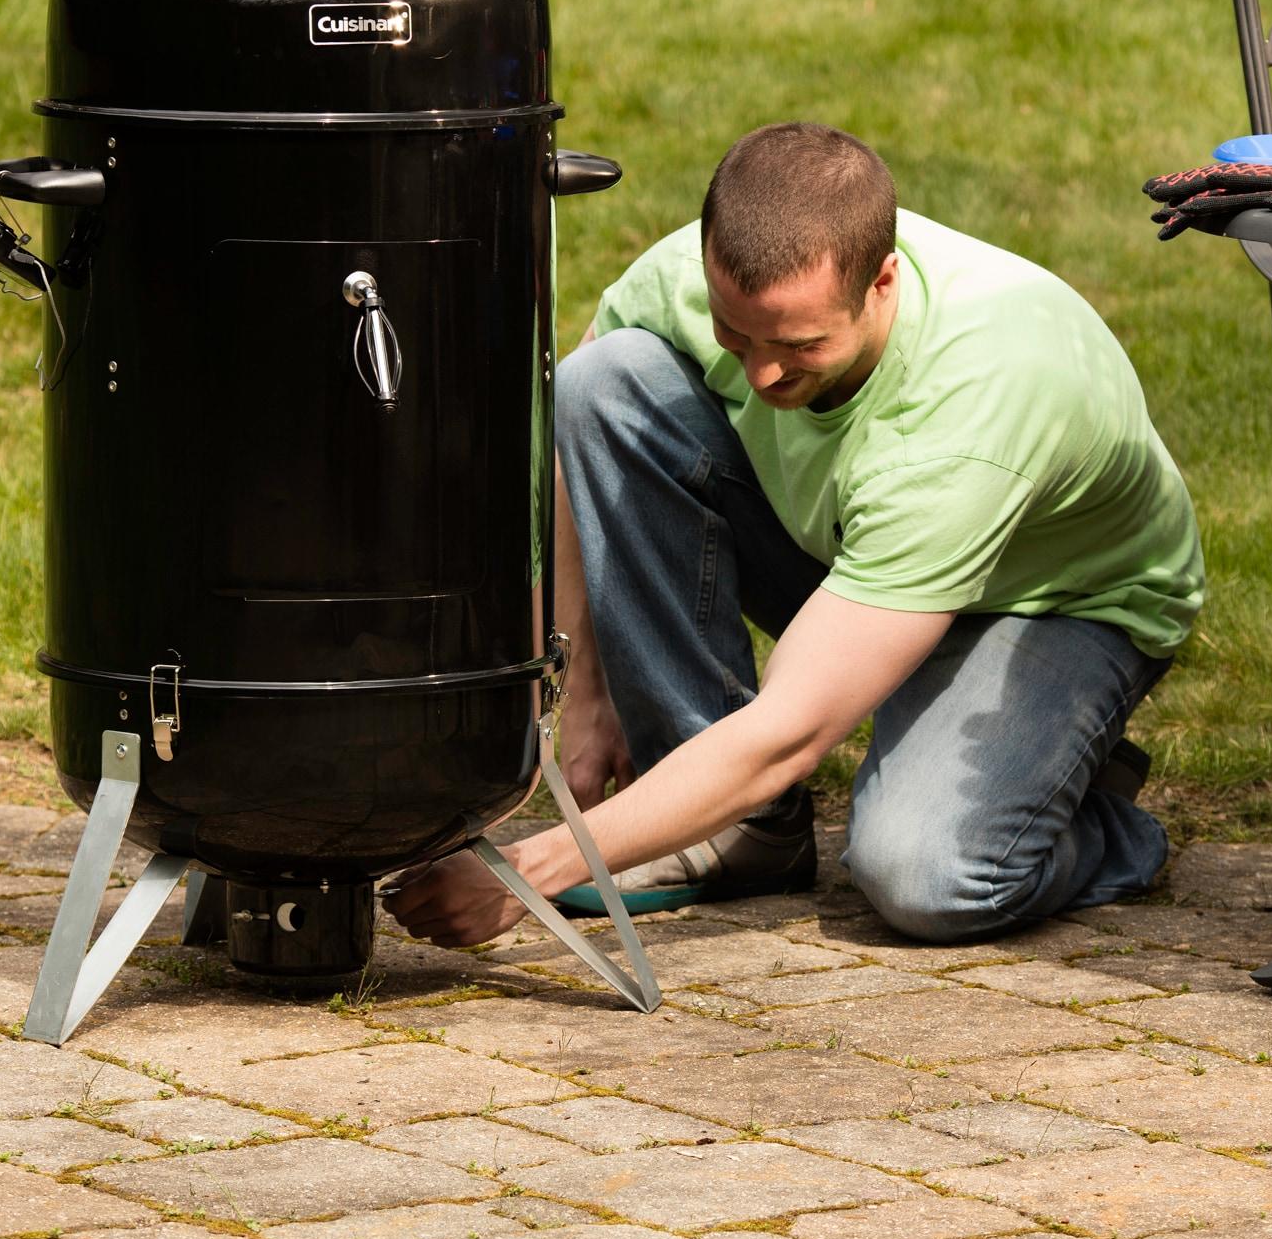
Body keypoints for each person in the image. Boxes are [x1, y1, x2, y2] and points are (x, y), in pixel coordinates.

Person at [387, 121, 1204, 950]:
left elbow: (794, 733)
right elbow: (578, 444)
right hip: (863, 546)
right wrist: (586, 693)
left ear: (882, 282)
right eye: (736, 338)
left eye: (801, 346)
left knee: (924, 877)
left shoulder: (970, 414)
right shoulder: (713, 272)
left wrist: (538, 869)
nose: (764, 375)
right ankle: (736, 835)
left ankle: (1091, 819)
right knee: (605, 384)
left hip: (1056, 608)